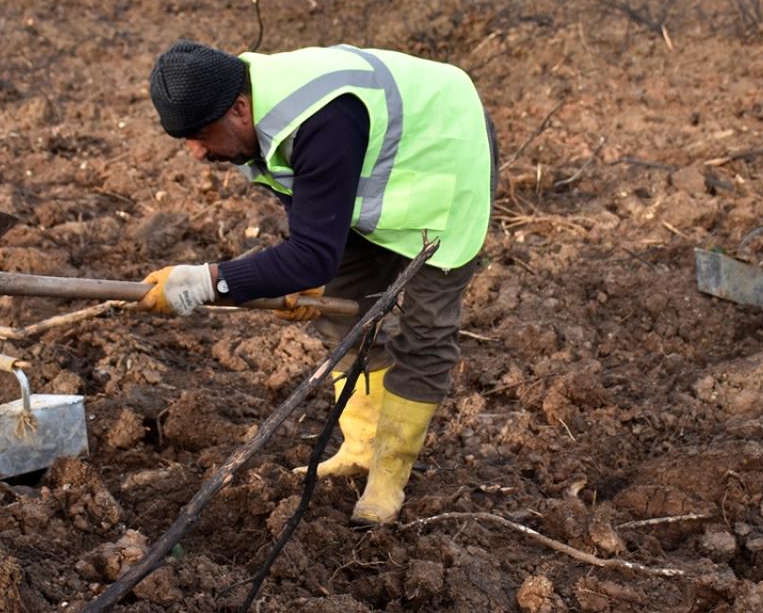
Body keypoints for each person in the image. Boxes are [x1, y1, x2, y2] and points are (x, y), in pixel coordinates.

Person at [136, 40, 497, 525]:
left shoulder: (321, 117)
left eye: (201, 136)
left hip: (446, 157)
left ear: (239, 109)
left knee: (426, 330)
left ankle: (388, 476)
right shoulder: (248, 107)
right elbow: (299, 197)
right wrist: (298, 275)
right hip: (376, 171)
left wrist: (204, 283)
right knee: (341, 312)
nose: (197, 153)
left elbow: (311, 256)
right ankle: (363, 447)